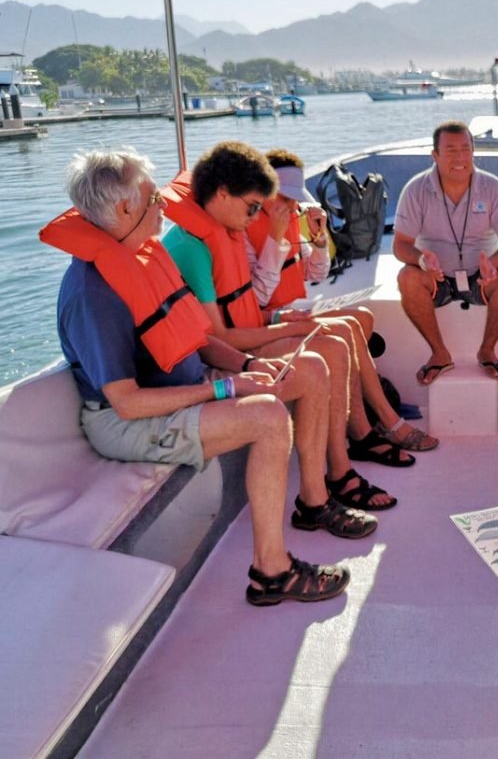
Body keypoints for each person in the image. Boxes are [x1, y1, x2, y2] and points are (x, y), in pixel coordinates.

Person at [41, 147, 362, 606]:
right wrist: (227, 388)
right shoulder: (92, 293)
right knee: (268, 417)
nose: (164, 208)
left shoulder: (145, 255)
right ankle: (272, 572)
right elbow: (127, 403)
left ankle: (314, 503)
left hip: (178, 385)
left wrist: (248, 366)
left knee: (307, 368)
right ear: (125, 207)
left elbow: (195, 333)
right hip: (126, 421)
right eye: (154, 200)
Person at [161, 141, 396, 512]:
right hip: (221, 358)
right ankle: (334, 475)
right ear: (224, 194)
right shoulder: (194, 245)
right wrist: (287, 327)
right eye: (254, 206)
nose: (256, 216)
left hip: (251, 331)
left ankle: (343, 461)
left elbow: (260, 300)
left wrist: (283, 317)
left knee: (341, 336)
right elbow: (220, 334)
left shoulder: (227, 230)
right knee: (329, 351)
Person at [245, 149, 438, 454]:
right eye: (284, 198)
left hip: (289, 312)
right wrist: (274, 240)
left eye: (294, 199)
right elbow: (258, 298)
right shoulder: (248, 231)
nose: (291, 205)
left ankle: (370, 409)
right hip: (266, 322)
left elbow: (316, 273)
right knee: (347, 328)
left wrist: (320, 240)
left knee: (362, 317)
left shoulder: (291, 220)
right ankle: (379, 421)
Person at [393, 120, 498, 384]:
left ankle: (487, 349)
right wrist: (421, 259)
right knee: (407, 277)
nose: (460, 157)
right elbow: (400, 245)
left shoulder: (493, 187)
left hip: (480, 277)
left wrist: (493, 264)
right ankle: (439, 354)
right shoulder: (415, 190)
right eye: (451, 150)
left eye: (466, 149)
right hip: (436, 278)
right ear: (435, 156)